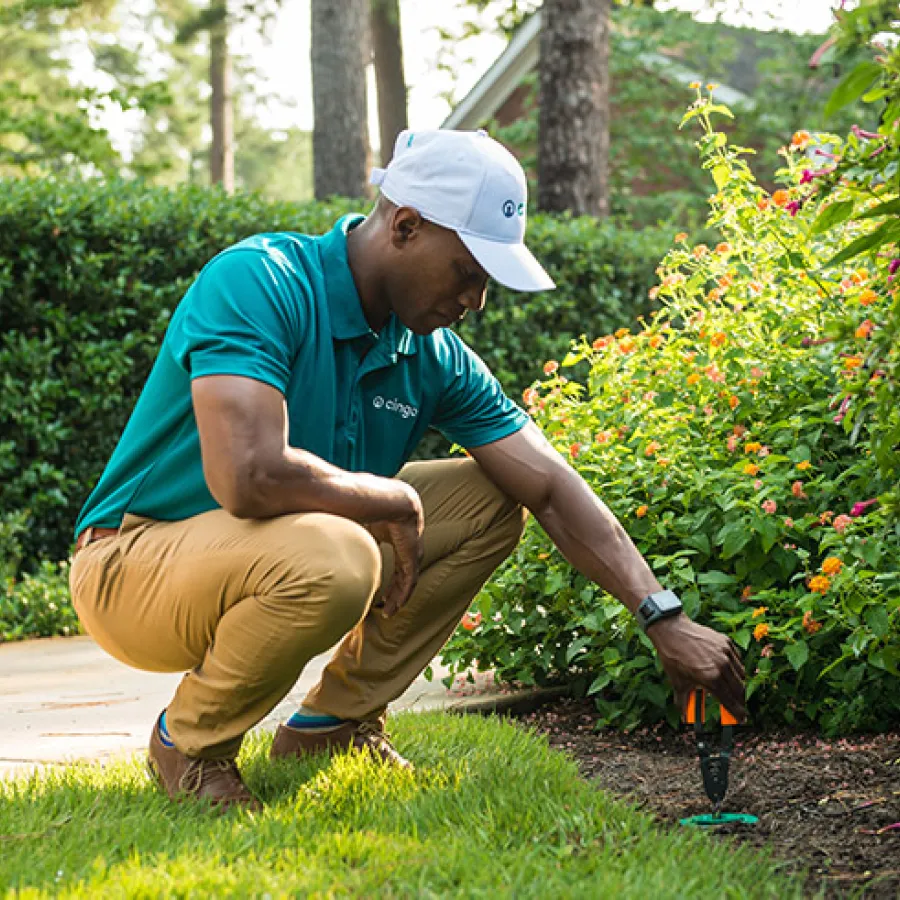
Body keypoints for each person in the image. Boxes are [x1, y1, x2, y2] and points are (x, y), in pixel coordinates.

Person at [69, 129, 745, 812]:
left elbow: (550, 484)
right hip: (131, 563)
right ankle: (189, 744)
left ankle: (333, 725)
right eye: (467, 271)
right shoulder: (261, 279)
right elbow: (248, 475)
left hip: (277, 551)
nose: (476, 300)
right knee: (338, 554)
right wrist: (390, 499)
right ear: (406, 225)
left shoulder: (430, 353)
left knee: (491, 498)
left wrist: (663, 618)